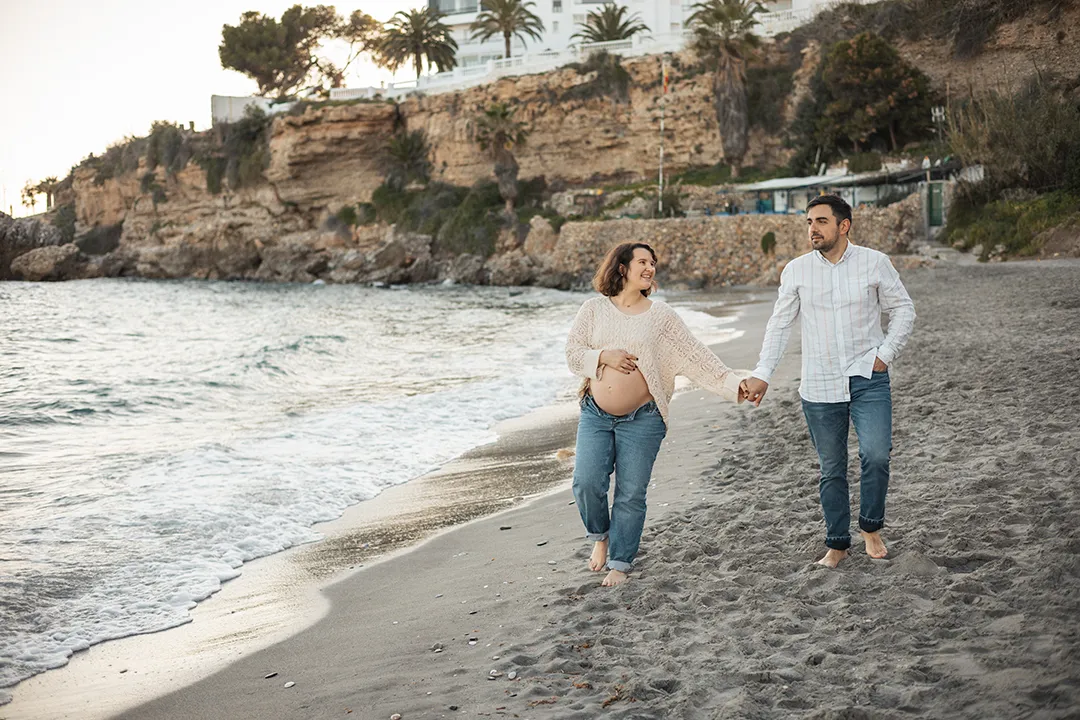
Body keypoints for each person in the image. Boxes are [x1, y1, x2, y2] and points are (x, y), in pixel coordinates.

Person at [742, 194, 915, 568]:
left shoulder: (874, 262)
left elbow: (903, 309)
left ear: (843, 225)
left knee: (876, 455)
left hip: (867, 377)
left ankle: (870, 527)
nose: (812, 229)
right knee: (831, 469)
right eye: (808, 222)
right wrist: (763, 373)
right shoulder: (797, 270)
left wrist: (884, 355)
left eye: (820, 221)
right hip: (819, 385)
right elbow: (779, 324)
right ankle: (837, 543)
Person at [566, 242, 749, 586]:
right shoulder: (593, 310)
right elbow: (573, 354)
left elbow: (695, 356)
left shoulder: (661, 316)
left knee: (631, 493)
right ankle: (600, 536)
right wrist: (604, 356)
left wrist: (734, 383)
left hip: (643, 418)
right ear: (622, 268)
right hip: (595, 414)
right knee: (586, 482)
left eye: (653, 263)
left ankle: (620, 562)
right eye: (642, 262)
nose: (649, 268)